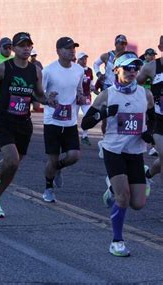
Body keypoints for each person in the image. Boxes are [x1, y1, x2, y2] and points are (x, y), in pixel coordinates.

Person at [82, 52, 154, 257]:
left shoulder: (145, 94)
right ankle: (117, 241)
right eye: (128, 68)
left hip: (135, 151)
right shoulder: (107, 95)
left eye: (136, 68)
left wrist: (148, 132)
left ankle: (112, 189)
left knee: (138, 204)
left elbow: (152, 117)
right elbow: (86, 123)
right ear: (116, 70)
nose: (133, 72)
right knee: (123, 198)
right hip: (113, 150)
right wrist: (104, 113)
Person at [0, 32, 50, 217]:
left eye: (29, 45)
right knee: (11, 159)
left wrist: (48, 100)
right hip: (4, 120)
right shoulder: (4, 67)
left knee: (14, 165)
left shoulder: (35, 70)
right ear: (13, 48)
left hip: (24, 123)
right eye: (22, 45)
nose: (26, 48)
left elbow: (38, 94)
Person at [41, 37, 86, 202]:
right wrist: (47, 98)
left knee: (74, 156)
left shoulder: (78, 70)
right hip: (52, 121)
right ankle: (48, 188)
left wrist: (81, 97)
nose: (72, 50)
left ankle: (58, 168)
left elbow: (79, 90)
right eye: (67, 48)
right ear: (58, 51)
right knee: (52, 159)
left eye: (73, 47)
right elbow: (39, 94)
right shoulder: (48, 71)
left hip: (70, 121)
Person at [137, 36, 163, 184]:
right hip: (158, 120)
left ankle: (147, 175)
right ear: (160, 48)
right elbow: (136, 83)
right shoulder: (151, 67)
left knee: (161, 160)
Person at [76, 51, 95, 145]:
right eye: (82, 59)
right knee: (73, 117)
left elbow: (91, 82)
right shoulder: (74, 69)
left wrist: (92, 86)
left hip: (86, 96)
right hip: (75, 97)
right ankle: (72, 136)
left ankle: (84, 136)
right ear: (78, 60)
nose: (84, 61)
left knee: (88, 115)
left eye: (85, 59)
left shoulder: (89, 70)